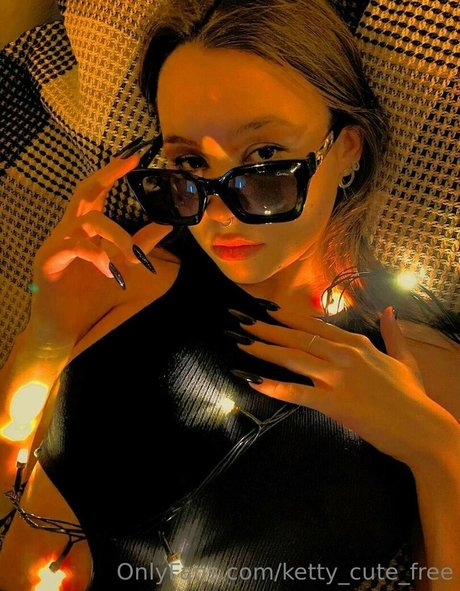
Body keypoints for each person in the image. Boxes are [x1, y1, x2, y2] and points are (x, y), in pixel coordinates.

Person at [0, 0, 459, 589]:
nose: (218, 213)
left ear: (349, 148)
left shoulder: (420, 374)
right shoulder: (123, 280)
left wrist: (439, 456)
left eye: (265, 157)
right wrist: (46, 333)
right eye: (190, 163)